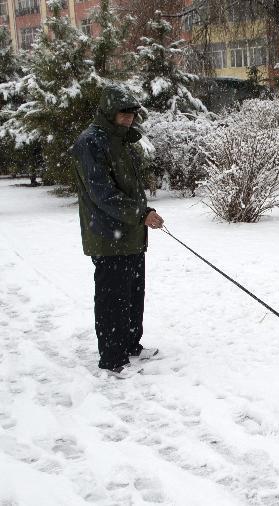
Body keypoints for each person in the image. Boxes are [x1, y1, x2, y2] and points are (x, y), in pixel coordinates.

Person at [71, 84, 165, 379]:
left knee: (134, 293)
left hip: (132, 233)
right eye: (124, 113)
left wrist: (141, 218)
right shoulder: (90, 143)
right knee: (112, 298)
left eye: (133, 113)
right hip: (108, 235)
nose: (129, 118)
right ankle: (112, 358)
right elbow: (102, 194)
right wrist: (142, 214)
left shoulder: (121, 141)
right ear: (109, 111)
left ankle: (130, 344)